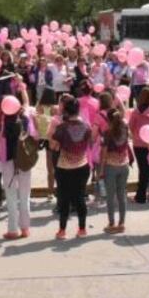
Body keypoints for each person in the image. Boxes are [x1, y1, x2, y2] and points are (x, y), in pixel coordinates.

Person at [50, 94, 95, 239]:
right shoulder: (87, 127)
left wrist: (52, 135)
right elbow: (91, 142)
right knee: (80, 198)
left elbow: (54, 147)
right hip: (82, 166)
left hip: (64, 167)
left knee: (64, 199)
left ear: (66, 112)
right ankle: (82, 229)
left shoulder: (62, 128)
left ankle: (62, 231)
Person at [0, 104, 37, 240]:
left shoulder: (3, 124)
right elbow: (35, 136)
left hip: (8, 162)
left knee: (11, 197)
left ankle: (12, 229)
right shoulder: (26, 121)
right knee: (25, 196)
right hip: (24, 161)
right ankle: (25, 228)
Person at [99, 108, 132, 233]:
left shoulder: (107, 133)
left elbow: (104, 154)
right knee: (121, 194)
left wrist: (101, 170)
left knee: (111, 196)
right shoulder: (125, 129)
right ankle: (122, 223)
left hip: (111, 166)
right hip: (124, 165)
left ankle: (112, 223)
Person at [128, 86, 149, 203]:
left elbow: (131, 128)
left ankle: (141, 195)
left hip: (138, 144)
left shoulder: (135, 112)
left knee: (143, 170)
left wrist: (137, 135)